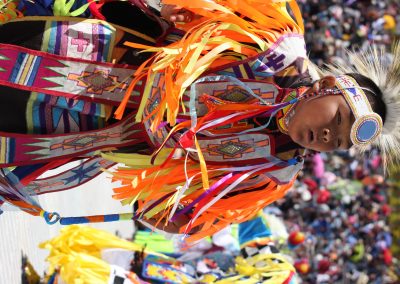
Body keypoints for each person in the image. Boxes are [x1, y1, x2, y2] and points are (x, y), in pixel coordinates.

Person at [0, 0, 397, 241]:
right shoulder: (276, 46)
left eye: (340, 142)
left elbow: (176, 209)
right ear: (327, 85)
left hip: (87, 137)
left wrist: (174, 218)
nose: (329, 135)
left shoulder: (274, 172)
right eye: (339, 118)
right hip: (93, 59)